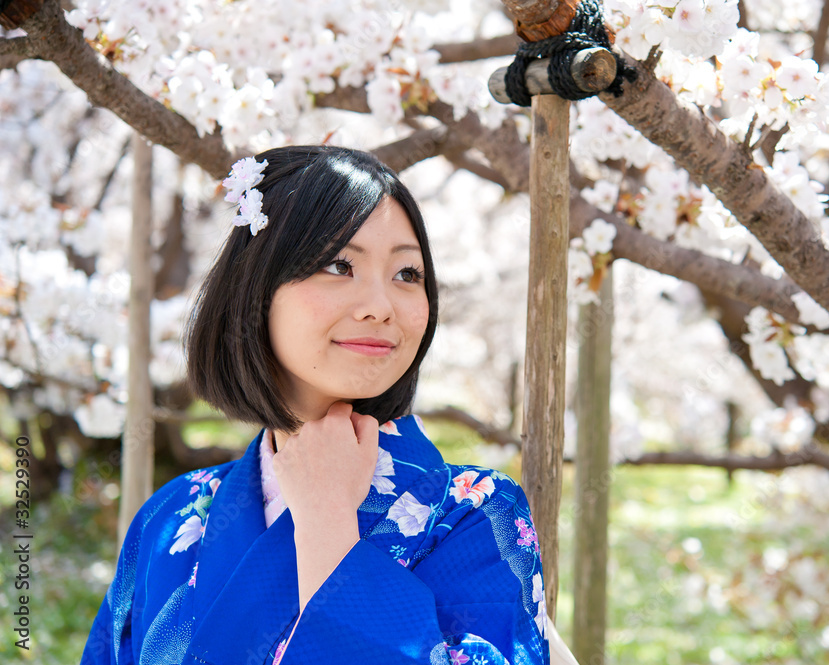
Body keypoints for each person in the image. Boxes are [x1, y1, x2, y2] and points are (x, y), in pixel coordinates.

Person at [81, 146, 550, 664]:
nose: (379, 307)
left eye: (407, 274)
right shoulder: (170, 515)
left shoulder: (473, 514)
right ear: (254, 287)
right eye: (338, 264)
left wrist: (327, 525)